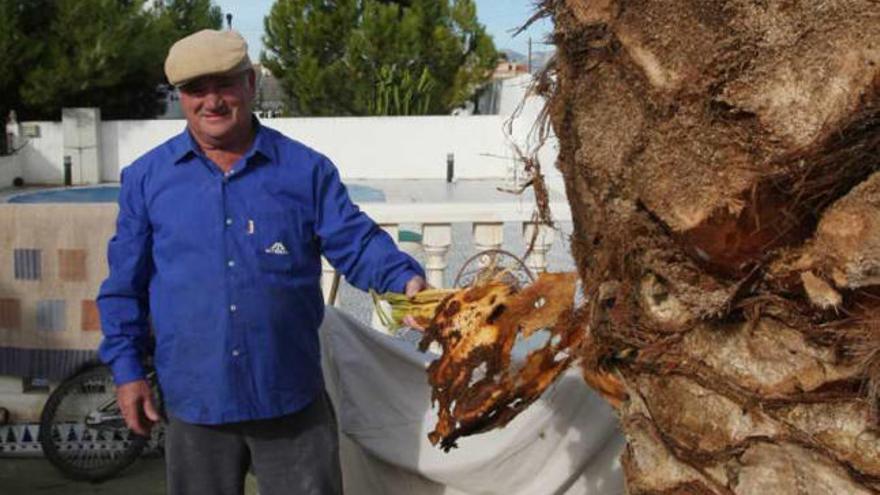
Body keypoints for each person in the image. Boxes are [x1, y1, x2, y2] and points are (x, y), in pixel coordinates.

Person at [97, 29, 427, 495]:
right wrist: (128, 370)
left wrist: (404, 279)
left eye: (225, 84)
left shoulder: (305, 170)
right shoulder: (147, 179)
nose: (211, 101)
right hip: (196, 402)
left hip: (288, 394)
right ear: (180, 97)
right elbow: (124, 286)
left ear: (250, 84)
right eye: (195, 89)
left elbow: (355, 240)